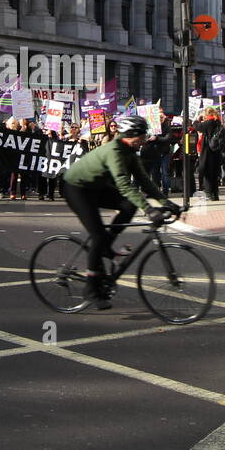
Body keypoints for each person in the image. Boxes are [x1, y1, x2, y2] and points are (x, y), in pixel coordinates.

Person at [61, 115, 181, 308]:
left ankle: (105, 246)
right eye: (141, 136)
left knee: (128, 206)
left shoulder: (131, 153)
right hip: (76, 188)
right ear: (130, 136)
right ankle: (91, 289)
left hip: (96, 186)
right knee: (98, 236)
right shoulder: (114, 151)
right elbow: (124, 186)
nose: (144, 139)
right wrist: (149, 210)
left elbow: (145, 182)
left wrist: (166, 202)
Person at [195, 108, 224, 201]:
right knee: (215, 173)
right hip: (216, 151)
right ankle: (215, 194)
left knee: (207, 172)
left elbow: (197, 126)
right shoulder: (218, 121)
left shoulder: (209, 122)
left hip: (208, 151)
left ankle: (209, 193)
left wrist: (197, 119)